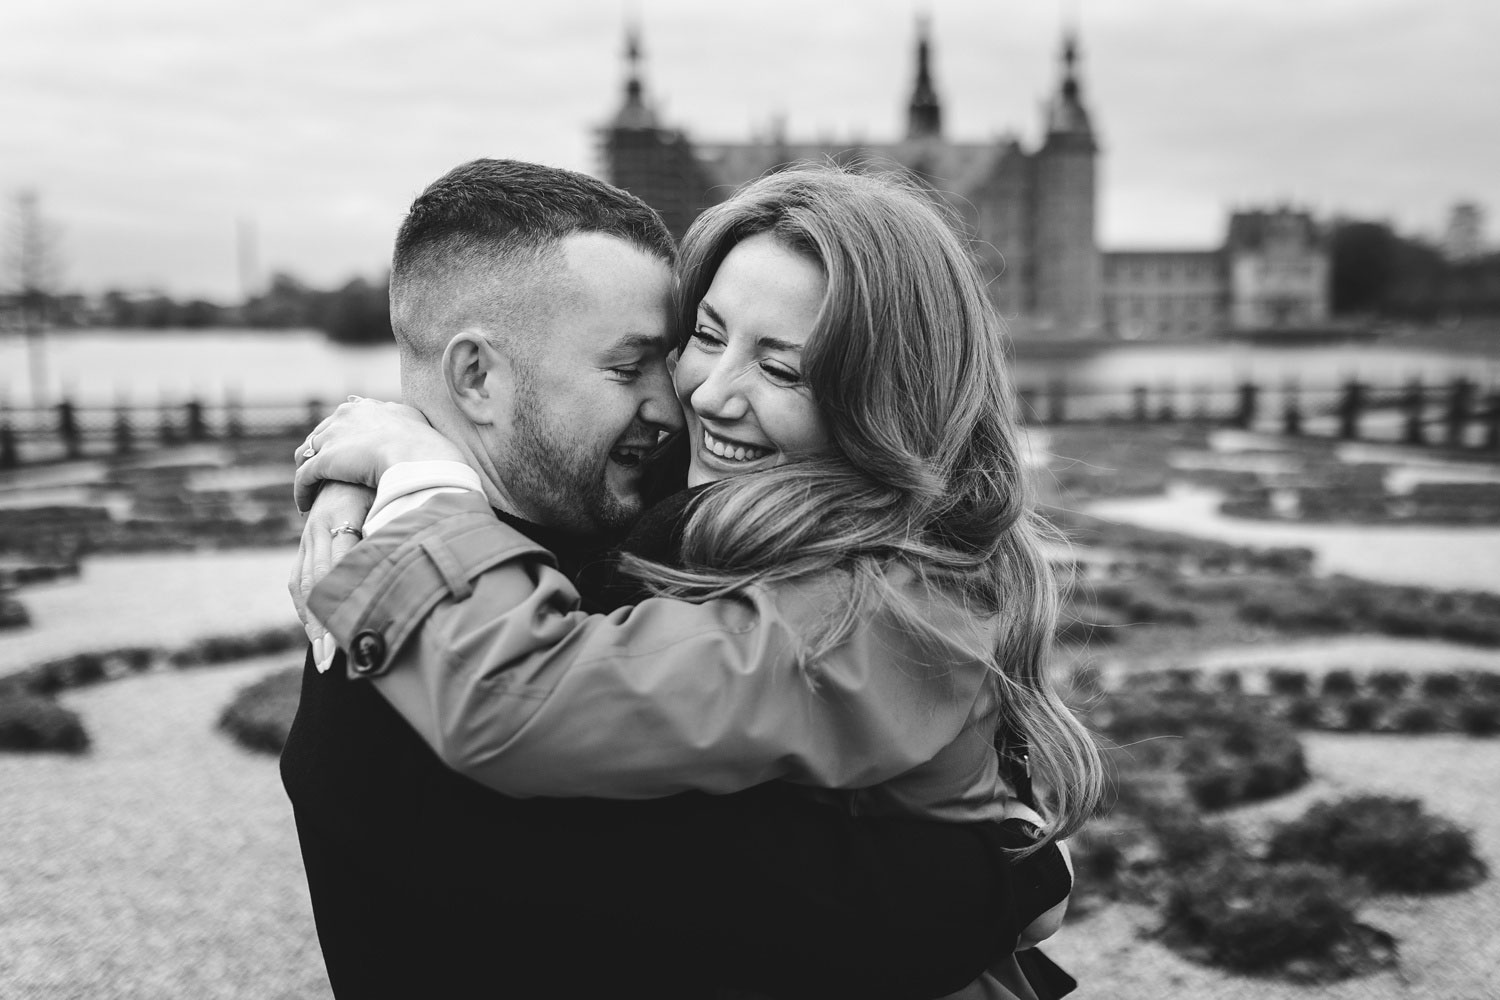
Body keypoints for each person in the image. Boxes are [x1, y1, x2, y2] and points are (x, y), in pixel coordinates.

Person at [296, 163, 1099, 998]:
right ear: (474, 377)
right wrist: (373, 473)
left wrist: (412, 477)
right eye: (701, 339)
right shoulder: (704, 514)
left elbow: (528, 697)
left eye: (782, 369)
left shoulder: (869, 602)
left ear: (879, 404)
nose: (701, 396)